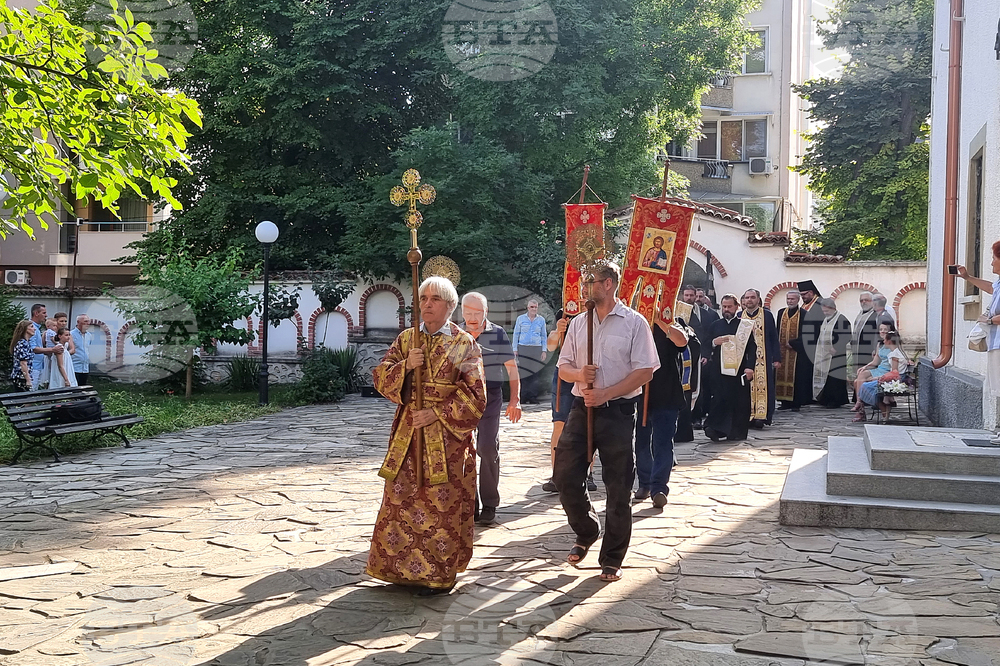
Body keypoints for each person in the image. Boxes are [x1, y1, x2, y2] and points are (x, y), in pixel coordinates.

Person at [366, 276, 487, 595]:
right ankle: (399, 569)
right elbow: (380, 377)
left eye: (435, 299)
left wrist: (436, 413)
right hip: (408, 438)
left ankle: (437, 573)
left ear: (450, 306)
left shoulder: (464, 344)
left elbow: (476, 395)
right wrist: (407, 365)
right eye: (423, 298)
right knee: (401, 500)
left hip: (447, 442)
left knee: (440, 504)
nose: (427, 304)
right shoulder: (407, 339)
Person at [554, 262, 658, 583]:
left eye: (593, 282)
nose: (587, 288)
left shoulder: (634, 323)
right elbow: (563, 368)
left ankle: (612, 557)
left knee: (618, 486)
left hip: (617, 412)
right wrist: (578, 375)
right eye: (586, 283)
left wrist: (607, 393)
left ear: (610, 284)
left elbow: (645, 371)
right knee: (564, 476)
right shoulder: (578, 324)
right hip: (581, 409)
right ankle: (587, 529)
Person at [460, 292, 521, 526]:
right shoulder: (457, 334)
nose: (472, 317)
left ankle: (489, 503)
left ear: (486, 312)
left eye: (477, 313)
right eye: (468, 312)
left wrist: (515, 400)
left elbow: (512, 369)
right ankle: (469, 504)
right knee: (463, 451)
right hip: (463, 399)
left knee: (486, 447)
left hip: (490, 397)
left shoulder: (497, 334)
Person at [634, 307, 688, 507]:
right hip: (638, 393)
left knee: (663, 442)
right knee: (641, 442)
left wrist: (661, 322)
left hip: (667, 392)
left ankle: (659, 488)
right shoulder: (634, 321)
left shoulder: (674, 320)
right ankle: (645, 482)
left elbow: (682, 341)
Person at [542, 312, 597, 494]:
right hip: (564, 377)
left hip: (590, 372)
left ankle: (587, 473)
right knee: (559, 424)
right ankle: (556, 474)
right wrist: (558, 331)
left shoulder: (598, 311)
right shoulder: (566, 311)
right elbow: (550, 346)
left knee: (589, 423)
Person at [955, 253, 1000, 442]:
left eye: (994, 258)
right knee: (996, 385)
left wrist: (988, 320)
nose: (991, 262)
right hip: (995, 341)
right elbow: (990, 288)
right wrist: (967, 278)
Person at [703, 294, 755, 442]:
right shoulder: (715, 325)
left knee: (739, 402)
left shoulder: (744, 326)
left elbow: (752, 348)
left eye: (729, 306)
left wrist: (750, 367)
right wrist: (714, 342)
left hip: (739, 371)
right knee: (719, 399)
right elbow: (705, 344)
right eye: (724, 306)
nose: (726, 309)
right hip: (719, 371)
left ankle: (736, 432)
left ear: (737, 306)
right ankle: (714, 429)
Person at [740, 289, 780, 428]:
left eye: (752, 297)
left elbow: (774, 337)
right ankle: (747, 415)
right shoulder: (740, 315)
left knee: (765, 386)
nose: (749, 300)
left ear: (758, 299)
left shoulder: (767, 315)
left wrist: (777, 358)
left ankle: (762, 417)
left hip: (764, 357)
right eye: (747, 297)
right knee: (746, 386)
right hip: (745, 359)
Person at [786, 280, 826, 409]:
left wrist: (795, 343)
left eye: (804, 295)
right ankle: (803, 397)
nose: (803, 297)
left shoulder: (819, 305)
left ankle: (806, 397)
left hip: (813, 344)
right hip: (802, 344)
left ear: (811, 293)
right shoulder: (806, 305)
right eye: (801, 295)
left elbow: (814, 328)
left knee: (806, 372)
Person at [856, 331, 909, 421]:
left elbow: (894, 372)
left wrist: (878, 378)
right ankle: (884, 408)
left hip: (896, 380)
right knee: (867, 385)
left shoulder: (894, 355)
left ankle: (883, 409)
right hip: (894, 378)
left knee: (865, 386)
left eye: (885, 340)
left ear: (889, 341)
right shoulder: (898, 352)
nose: (883, 341)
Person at [687, 286, 719, 425]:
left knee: (700, 387)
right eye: (686, 295)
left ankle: (697, 417)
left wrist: (706, 354)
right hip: (683, 355)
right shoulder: (677, 311)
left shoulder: (707, 315)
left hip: (701, 356)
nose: (689, 298)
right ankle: (684, 418)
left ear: (696, 296)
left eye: (691, 295)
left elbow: (708, 336)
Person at [812, 298, 852, 408]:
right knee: (827, 377)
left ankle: (836, 400)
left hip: (837, 354)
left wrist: (836, 348)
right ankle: (825, 398)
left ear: (833, 308)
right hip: (825, 354)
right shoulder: (826, 320)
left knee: (835, 379)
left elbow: (847, 336)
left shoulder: (842, 319)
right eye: (823, 311)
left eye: (827, 311)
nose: (825, 313)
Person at [851, 321, 897, 418]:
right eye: (881, 329)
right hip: (879, 369)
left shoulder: (893, 344)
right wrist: (865, 367)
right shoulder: (879, 345)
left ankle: (860, 408)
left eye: (885, 329)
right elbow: (875, 362)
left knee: (857, 382)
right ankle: (859, 403)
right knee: (862, 374)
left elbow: (899, 357)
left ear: (890, 331)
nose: (882, 331)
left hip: (887, 371)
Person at [776, 291, 808, 410]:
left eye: (792, 299)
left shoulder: (804, 314)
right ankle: (784, 401)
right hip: (782, 351)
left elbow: (807, 334)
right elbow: (776, 330)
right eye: (788, 299)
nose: (790, 301)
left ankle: (796, 403)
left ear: (798, 300)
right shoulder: (781, 313)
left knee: (797, 377)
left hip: (797, 352)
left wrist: (794, 343)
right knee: (781, 375)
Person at [512, 299, 547, 403]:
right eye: (532, 307)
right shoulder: (520, 319)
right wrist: (515, 349)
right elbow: (516, 334)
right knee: (523, 373)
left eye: (535, 307)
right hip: (523, 348)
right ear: (528, 308)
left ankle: (533, 397)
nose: (534, 309)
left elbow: (544, 336)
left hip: (536, 348)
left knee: (535, 373)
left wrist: (544, 350)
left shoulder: (541, 320)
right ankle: (523, 397)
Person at [851, 292, 882, 391]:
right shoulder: (860, 314)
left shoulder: (876, 314)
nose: (863, 302)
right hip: (859, 351)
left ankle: (869, 397)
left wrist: (876, 350)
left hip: (870, 352)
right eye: (861, 300)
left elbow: (879, 334)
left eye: (866, 300)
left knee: (868, 375)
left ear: (872, 301)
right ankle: (860, 396)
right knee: (859, 373)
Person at [28, 304, 62, 390]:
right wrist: (52, 349)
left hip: (39, 364)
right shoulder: (31, 328)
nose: (46, 315)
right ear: (36, 313)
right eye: (44, 313)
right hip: (33, 365)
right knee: (30, 393)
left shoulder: (36, 328)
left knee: (34, 391)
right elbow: (33, 348)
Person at [9, 320, 35, 392]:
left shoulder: (26, 343)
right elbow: (23, 363)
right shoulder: (22, 343)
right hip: (21, 377)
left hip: (23, 376)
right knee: (24, 400)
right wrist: (28, 379)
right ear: (25, 329)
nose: (34, 329)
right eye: (32, 327)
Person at [71, 314, 93, 386]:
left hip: (85, 368)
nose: (88, 323)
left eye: (88, 321)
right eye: (85, 321)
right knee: (74, 389)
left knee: (83, 388)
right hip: (74, 367)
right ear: (78, 322)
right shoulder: (71, 334)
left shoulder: (89, 335)